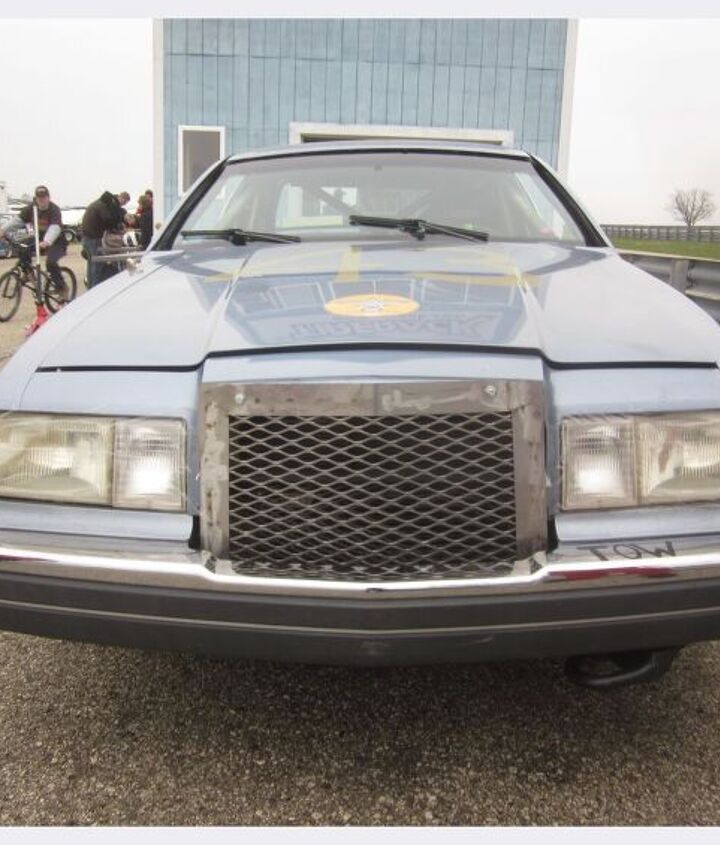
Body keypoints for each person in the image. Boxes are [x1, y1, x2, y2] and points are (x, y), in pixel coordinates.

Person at [0, 185, 68, 299]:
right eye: (39, 197)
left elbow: (55, 227)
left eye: (44, 197)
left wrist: (47, 241)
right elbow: (17, 221)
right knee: (22, 248)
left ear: (48, 197)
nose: (42, 200)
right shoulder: (31, 209)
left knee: (50, 263)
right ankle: (28, 273)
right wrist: (2, 230)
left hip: (57, 242)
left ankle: (62, 288)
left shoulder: (54, 209)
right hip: (38, 239)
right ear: (36, 198)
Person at [81, 190, 132, 287]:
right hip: (93, 238)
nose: (123, 204)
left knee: (91, 264)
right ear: (121, 198)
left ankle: (91, 286)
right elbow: (108, 220)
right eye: (124, 202)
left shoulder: (99, 203)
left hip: (86, 237)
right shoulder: (104, 206)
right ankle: (96, 287)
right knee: (97, 265)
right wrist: (116, 227)